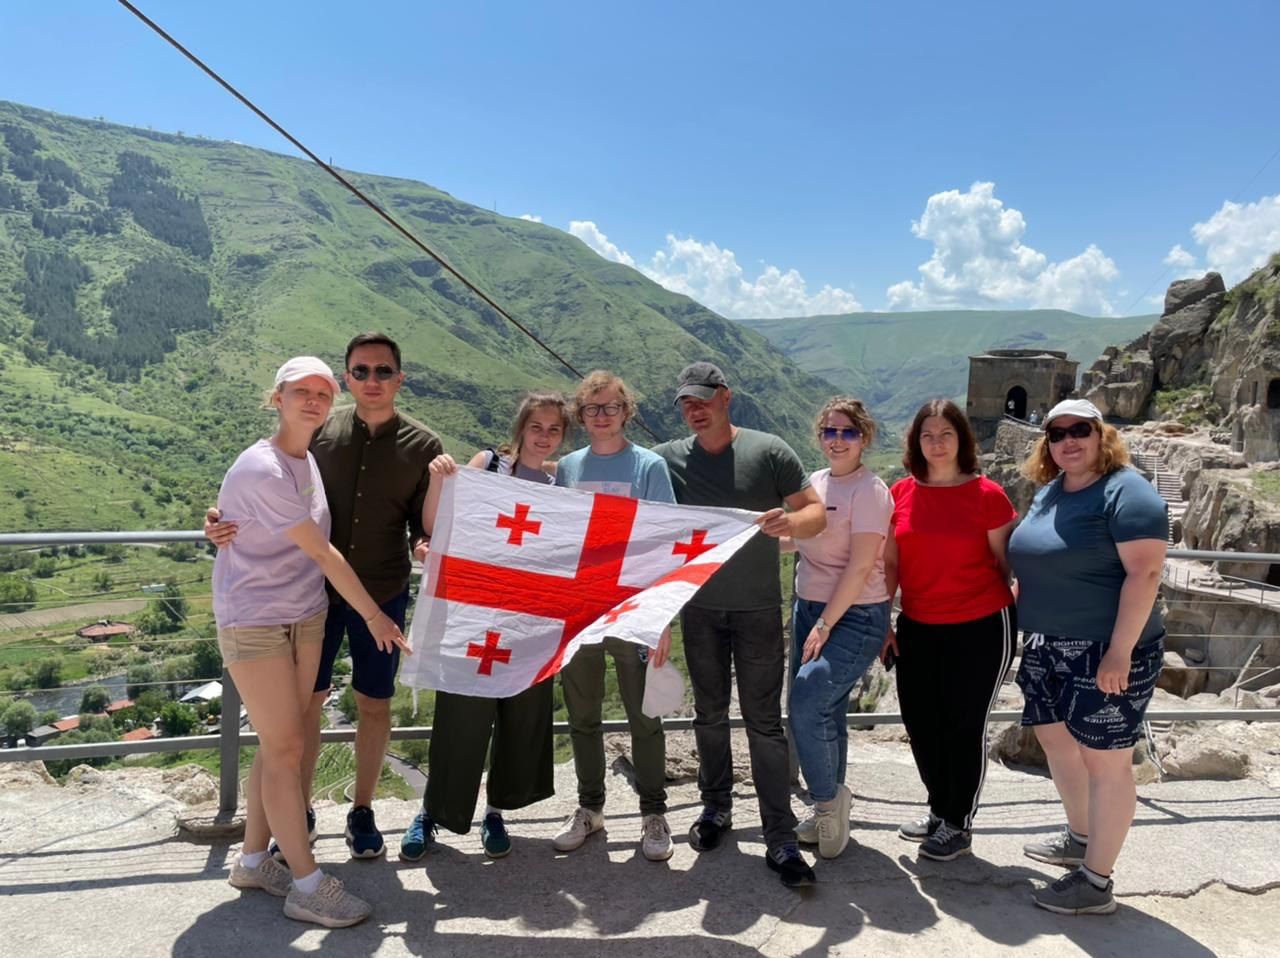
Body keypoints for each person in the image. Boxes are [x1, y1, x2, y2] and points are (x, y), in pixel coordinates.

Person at [207, 332, 441, 861]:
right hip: (315, 593)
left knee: (374, 703)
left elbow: (421, 523)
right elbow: (265, 487)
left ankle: (362, 809)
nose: (372, 380)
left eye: (383, 371)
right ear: (348, 379)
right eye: (361, 371)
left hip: (381, 589)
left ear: (399, 378)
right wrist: (219, 520)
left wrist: (423, 543)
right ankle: (299, 809)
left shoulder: (424, 445)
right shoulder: (318, 432)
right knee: (305, 708)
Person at [654, 362, 827, 888]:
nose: (694, 410)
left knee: (763, 722)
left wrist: (788, 521)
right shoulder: (666, 460)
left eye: (702, 399)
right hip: (699, 609)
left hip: (757, 609)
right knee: (708, 715)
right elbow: (622, 497)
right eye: (686, 403)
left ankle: (779, 835)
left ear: (725, 397)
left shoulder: (769, 451)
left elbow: (815, 513)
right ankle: (716, 808)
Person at [1009, 398, 1168, 915]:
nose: (1068, 441)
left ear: (1102, 435)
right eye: (1057, 434)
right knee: (1057, 743)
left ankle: (1096, 883)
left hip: (1105, 648)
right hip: (1046, 645)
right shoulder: (1052, 490)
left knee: (1107, 762)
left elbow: (1145, 573)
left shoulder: (1128, 491)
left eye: (1079, 430)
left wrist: (1120, 652)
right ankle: (1081, 838)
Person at [399, 392, 570, 861]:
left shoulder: (562, 482)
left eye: (554, 429)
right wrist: (438, 481)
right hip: (474, 615)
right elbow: (436, 523)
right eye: (536, 426)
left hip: (530, 621)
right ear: (521, 427)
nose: (544, 436)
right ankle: (431, 812)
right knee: (460, 716)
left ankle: (496, 812)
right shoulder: (488, 464)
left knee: (520, 717)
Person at [880, 399, 1018, 862]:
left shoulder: (988, 496)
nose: (937, 443)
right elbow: (891, 562)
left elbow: (1005, 564)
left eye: (946, 434)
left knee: (964, 726)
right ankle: (940, 809)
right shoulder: (901, 492)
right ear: (916, 442)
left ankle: (958, 822)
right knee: (921, 724)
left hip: (980, 626)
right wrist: (883, 619)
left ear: (962, 439)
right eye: (928, 435)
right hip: (917, 623)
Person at [550, 370, 677, 862]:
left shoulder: (649, 466)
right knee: (583, 715)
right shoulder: (569, 467)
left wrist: (663, 617)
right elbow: (561, 536)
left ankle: (654, 812)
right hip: (582, 607)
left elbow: (666, 541)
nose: (601, 416)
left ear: (627, 411)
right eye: (591, 408)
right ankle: (590, 808)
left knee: (644, 715)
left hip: (635, 607)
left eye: (611, 407)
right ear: (581, 416)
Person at [783, 397, 892, 860]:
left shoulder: (870, 491)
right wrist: (752, 533)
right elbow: (798, 540)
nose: (838, 440)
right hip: (808, 608)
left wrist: (825, 624)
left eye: (848, 432)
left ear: (864, 438)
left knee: (807, 701)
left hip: (856, 614)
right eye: (830, 431)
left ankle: (826, 803)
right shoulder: (814, 483)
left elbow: (861, 565)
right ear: (819, 436)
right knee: (828, 712)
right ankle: (833, 804)